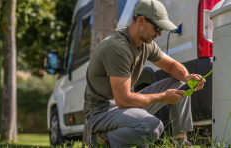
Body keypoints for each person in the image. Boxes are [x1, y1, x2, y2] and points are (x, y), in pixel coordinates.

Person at [84, 0, 206, 147]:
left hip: (124, 107)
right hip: (101, 112)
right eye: (157, 28)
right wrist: (163, 97)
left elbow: (173, 66)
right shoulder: (117, 48)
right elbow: (123, 100)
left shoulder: (146, 44)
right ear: (141, 20)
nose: (159, 34)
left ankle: (180, 142)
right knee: (152, 127)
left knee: (181, 83)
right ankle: (101, 139)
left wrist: (187, 77)